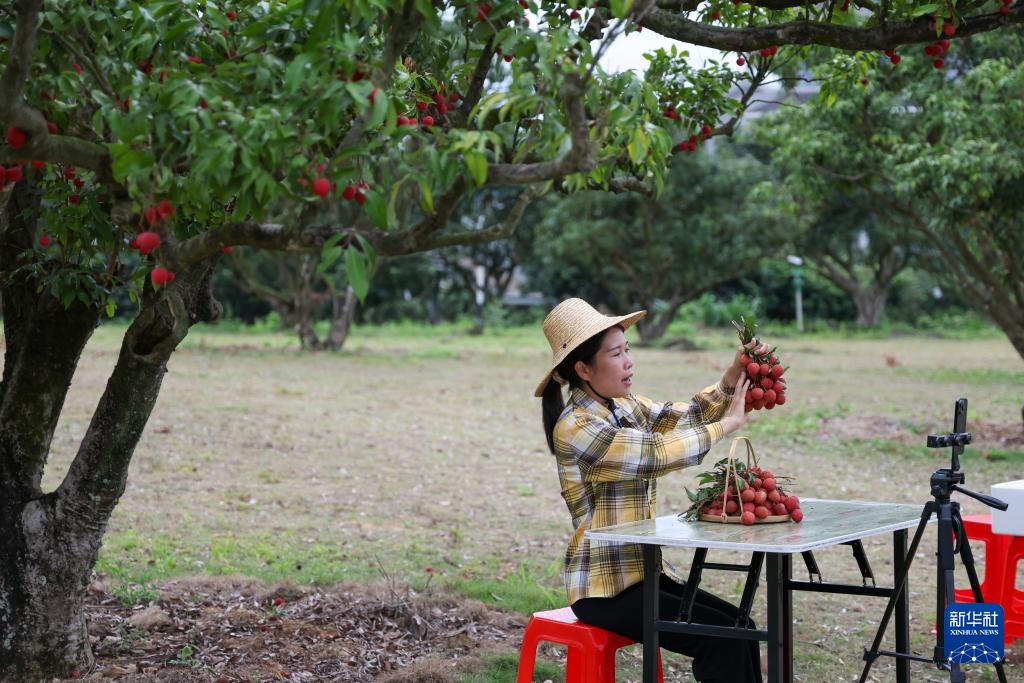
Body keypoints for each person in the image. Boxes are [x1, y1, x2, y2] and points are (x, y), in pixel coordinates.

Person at [536, 298, 767, 683]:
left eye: (627, 349)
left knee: (741, 624)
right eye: (615, 353)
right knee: (720, 639)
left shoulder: (626, 406)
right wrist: (727, 426)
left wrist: (730, 378)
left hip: (643, 576)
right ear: (583, 368)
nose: (629, 361)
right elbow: (654, 455)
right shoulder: (576, 427)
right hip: (604, 591)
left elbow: (686, 417)